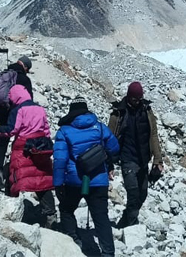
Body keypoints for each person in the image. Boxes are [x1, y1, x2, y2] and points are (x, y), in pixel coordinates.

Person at [54, 96, 120, 257]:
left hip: (74, 181)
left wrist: (58, 183)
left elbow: (60, 160)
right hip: (98, 180)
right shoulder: (100, 127)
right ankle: (108, 253)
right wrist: (107, 162)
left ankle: (73, 241)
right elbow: (115, 148)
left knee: (66, 209)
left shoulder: (64, 131)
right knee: (101, 217)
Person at [108, 81, 166, 228]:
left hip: (143, 159)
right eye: (134, 99)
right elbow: (110, 137)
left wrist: (157, 159)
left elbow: (153, 135)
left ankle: (126, 220)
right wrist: (108, 162)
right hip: (127, 159)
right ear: (128, 96)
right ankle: (130, 226)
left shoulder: (146, 110)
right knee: (133, 193)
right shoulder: (118, 112)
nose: (137, 102)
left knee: (142, 194)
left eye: (139, 99)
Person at [0, 85, 55, 226]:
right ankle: (50, 214)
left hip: (23, 147)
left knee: (15, 176)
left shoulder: (18, 110)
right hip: (40, 147)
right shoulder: (40, 109)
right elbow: (46, 130)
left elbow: (12, 130)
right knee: (42, 179)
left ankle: (11, 206)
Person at [0, 55, 34, 191]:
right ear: (25, 67)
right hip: (18, 114)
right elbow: (29, 99)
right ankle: (13, 173)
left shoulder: (4, 75)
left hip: (3, 112)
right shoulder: (24, 79)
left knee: (2, 142)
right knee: (18, 144)